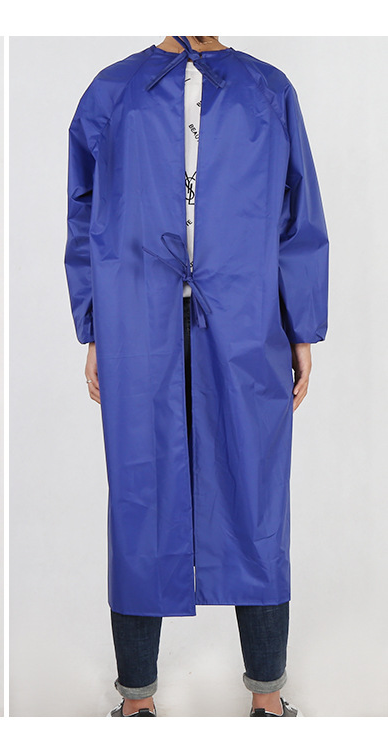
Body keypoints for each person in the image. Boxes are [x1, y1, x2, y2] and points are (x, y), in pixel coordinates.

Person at [64, 36, 328, 717]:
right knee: (139, 496)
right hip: (135, 318)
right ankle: (137, 701)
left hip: (245, 318)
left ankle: (268, 696)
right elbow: (85, 212)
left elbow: (298, 214)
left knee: (255, 495)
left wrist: (300, 323)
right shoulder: (113, 91)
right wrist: (94, 325)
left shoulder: (268, 89)